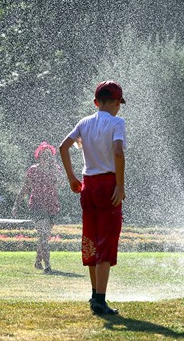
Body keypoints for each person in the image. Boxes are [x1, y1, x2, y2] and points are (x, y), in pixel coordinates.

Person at [59, 80, 126, 315]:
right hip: (107, 185)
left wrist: (71, 178)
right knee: (106, 242)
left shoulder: (84, 122)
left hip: (88, 186)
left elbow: (63, 147)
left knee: (90, 239)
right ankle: (100, 300)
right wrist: (120, 184)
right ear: (117, 103)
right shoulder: (117, 122)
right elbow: (118, 152)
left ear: (96, 102)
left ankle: (94, 295)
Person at [12, 142, 62, 273]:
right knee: (44, 234)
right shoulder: (33, 170)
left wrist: (55, 169)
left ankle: (38, 261)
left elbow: (61, 183)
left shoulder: (56, 169)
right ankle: (48, 265)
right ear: (39, 156)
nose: (46, 157)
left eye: (49, 155)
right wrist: (16, 205)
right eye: (44, 155)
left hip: (52, 205)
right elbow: (25, 188)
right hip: (37, 205)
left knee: (44, 236)